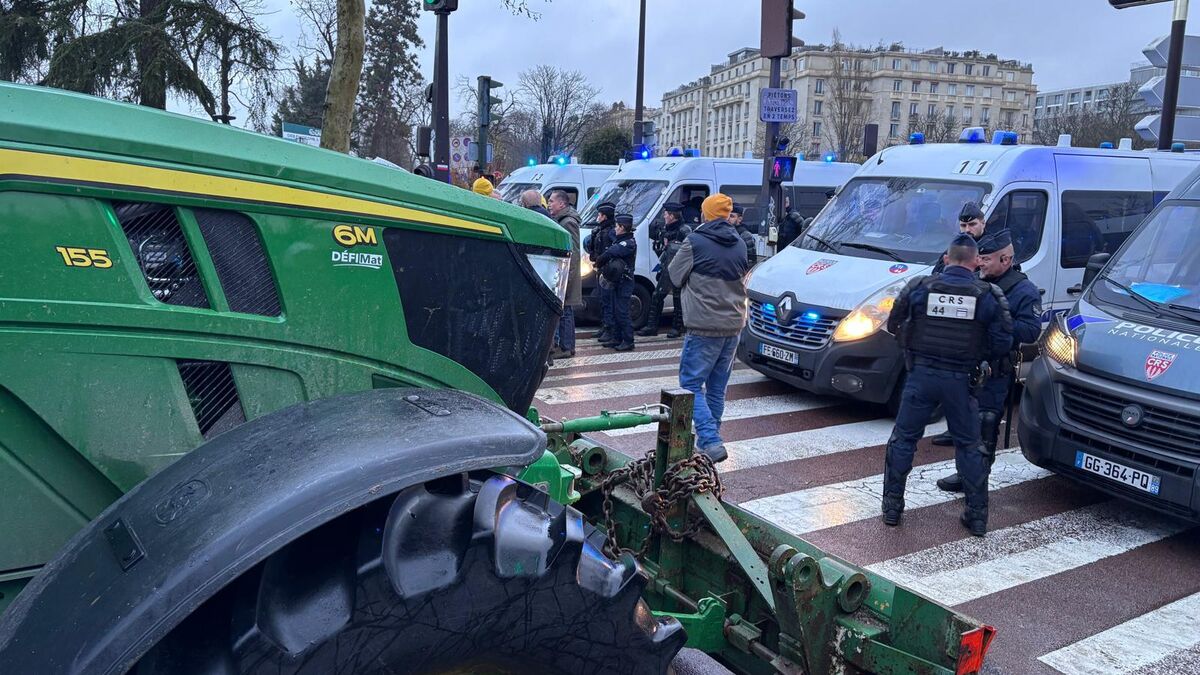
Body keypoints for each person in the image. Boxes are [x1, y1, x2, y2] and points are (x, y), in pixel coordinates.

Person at [882, 233, 1013, 537]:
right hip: (960, 380)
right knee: (970, 446)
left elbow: (894, 323)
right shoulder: (988, 295)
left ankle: (892, 508)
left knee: (903, 440)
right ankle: (977, 517)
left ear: (946, 259)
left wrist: (912, 350)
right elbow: (1002, 341)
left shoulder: (920, 287)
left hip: (920, 377)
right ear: (975, 261)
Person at [933, 230, 1042, 491]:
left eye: (987, 259)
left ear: (1005, 260)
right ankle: (963, 473)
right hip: (967, 365)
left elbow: (1030, 331)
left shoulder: (1023, 290)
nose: (980, 263)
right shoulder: (974, 281)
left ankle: (977, 480)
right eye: (979, 258)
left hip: (994, 372)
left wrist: (996, 320)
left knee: (984, 427)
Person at [668, 194, 751, 463]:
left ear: (705, 214)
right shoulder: (739, 243)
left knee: (691, 384)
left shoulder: (695, 241)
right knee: (716, 388)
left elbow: (675, 275)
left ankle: (710, 439)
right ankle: (711, 442)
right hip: (733, 325)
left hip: (704, 324)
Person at [638, 202, 691, 338]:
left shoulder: (684, 230)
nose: (664, 216)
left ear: (673, 216)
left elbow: (688, 251)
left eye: (666, 214)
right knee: (657, 295)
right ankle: (652, 326)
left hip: (678, 269)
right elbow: (654, 235)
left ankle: (677, 327)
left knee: (677, 297)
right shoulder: (665, 229)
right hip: (666, 267)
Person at [548, 190, 583, 359]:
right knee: (565, 311)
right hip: (565, 273)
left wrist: (566, 278)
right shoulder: (562, 220)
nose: (549, 203)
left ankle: (567, 346)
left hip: (567, 275)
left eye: (552, 201)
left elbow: (573, 252)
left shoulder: (568, 222)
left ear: (562, 204)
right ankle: (567, 345)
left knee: (566, 311)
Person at [596, 213, 638, 352]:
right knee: (614, 309)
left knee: (622, 311)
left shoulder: (628, 243)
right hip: (616, 281)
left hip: (625, 282)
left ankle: (628, 340)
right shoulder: (620, 239)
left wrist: (599, 261)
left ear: (622, 227)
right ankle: (617, 338)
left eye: (617, 226)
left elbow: (611, 253)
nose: (614, 228)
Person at [585, 202, 618, 343]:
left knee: (608, 300)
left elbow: (613, 250)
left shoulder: (611, 231)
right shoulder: (600, 230)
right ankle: (604, 326)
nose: (597, 217)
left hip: (607, 270)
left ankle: (609, 329)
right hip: (600, 268)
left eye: (599, 215)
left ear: (604, 216)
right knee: (602, 300)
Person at [931, 202, 986, 274]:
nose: (967, 230)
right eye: (963, 225)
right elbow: (936, 273)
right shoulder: (956, 245)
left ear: (983, 223)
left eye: (972, 224)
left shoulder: (991, 248)